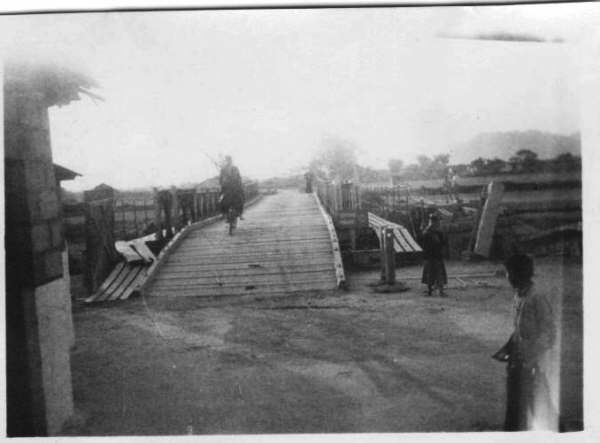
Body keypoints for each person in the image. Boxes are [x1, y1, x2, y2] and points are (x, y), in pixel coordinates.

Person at [500, 253, 557, 431]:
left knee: (543, 409)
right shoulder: (519, 294)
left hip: (532, 364)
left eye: (508, 272)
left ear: (517, 274)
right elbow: (520, 328)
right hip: (517, 361)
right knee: (514, 408)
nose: (506, 277)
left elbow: (549, 333)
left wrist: (531, 358)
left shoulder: (536, 297)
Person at [420, 212, 448, 297]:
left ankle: (438, 291)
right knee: (432, 274)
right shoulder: (429, 232)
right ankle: (433, 291)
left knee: (435, 274)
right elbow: (424, 243)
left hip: (435, 256)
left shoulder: (436, 232)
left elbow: (443, 243)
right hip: (432, 256)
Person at [219, 155, 245, 220]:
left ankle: (240, 214)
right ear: (226, 161)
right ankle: (223, 214)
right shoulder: (223, 169)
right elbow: (221, 178)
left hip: (235, 186)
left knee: (241, 198)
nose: (228, 161)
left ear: (231, 161)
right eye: (227, 160)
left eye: (229, 160)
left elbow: (238, 177)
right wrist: (222, 184)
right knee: (221, 199)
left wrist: (240, 184)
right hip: (227, 187)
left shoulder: (235, 168)